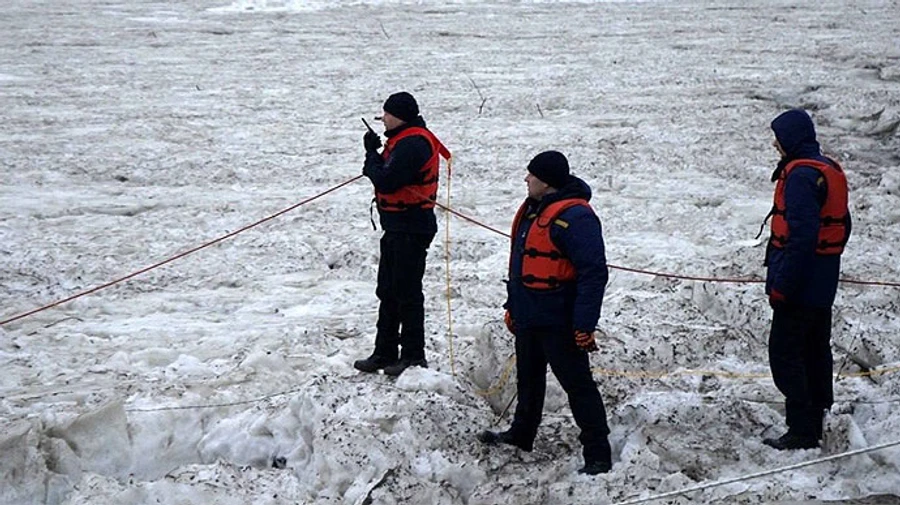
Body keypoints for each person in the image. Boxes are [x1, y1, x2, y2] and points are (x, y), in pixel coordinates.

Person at [477, 151, 613, 475]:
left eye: (532, 175)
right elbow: (520, 263)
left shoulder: (576, 218)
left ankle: (598, 453)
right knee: (528, 379)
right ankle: (521, 434)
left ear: (547, 182)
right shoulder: (532, 210)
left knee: (577, 385)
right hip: (529, 314)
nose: (526, 179)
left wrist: (584, 324)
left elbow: (594, 273)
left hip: (559, 319)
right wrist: (513, 307)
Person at [762, 109, 851, 450]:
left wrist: (782, 285)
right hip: (822, 282)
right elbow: (843, 223)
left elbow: (801, 238)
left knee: (785, 354)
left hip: (800, 284)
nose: (775, 144)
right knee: (815, 350)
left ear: (791, 139)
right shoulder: (825, 169)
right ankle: (817, 416)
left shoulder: (801, 177)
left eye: (778, 138)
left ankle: (801, 429)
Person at [353, 92, 451, 377]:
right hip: (397, 227)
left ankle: (413, 355)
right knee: (388, 289)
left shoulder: (412, 143)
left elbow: (386, 180)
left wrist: (371, 155)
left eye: (386, 114)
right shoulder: (405, 140)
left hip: (411, 227)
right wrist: (376, 154)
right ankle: (384, 352)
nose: (382, 119)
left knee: (406, 292)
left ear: (399, 116)